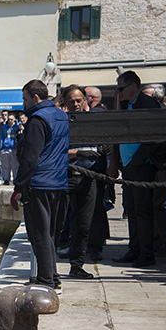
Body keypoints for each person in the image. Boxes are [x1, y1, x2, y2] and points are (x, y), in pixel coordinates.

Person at [11, 79, 69, 294]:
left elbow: (30, 158)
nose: (23, 104)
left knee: (38, 234)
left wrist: (19, 187)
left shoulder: (36, 120)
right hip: (59, 182)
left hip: (40, 182)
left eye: (25, 99)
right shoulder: (62, 116)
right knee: (51, 233)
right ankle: (53, 277)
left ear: (35, 97)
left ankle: (46, 282)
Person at [113, 70, 166, 267]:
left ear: (132, 87)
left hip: (141, 166)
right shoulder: (125, 104)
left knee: (143, 211)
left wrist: (136, 160)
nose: (119, 92)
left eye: (121, 88)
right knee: (131, 209)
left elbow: (156, 138)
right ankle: (135, 249)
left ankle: (147, 254)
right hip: (129, 165)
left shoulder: (147, 104)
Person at [61, 85, 100, 279]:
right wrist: (77, 153)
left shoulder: (92, 119)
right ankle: (48, 269)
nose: (76, 104)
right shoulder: (61, 122)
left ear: (84, 100)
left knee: (83, 225)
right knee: (59, 223)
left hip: (88, 176)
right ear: (65, 103)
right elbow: (54, 152)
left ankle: (77, 266)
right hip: (67, 176)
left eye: (79, 100)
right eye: (72, 101)